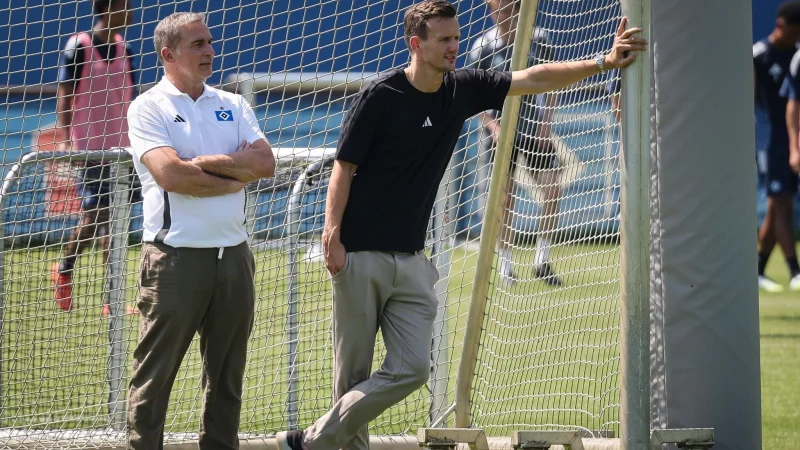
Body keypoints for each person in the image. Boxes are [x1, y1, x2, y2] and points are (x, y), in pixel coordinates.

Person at [275, 2, 645, 450]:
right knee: (351, 377)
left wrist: (603, 62)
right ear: (417, 44)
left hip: (413, 260)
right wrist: (331, 235)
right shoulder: (380, 95)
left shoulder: (463, 88)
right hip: (359, 254)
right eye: (444, 39)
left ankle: (310, 441)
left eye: (456, 37)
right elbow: (343, 168)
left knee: (413, 369)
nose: (454, 46)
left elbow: (534, 78)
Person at [124, 12, 275, 450]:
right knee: (154, 377)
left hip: (234, 258)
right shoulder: (148, 106)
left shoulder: (234, 104)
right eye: (197, 44)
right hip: (174, 259)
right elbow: (171, 175)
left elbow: (264, 163)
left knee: (227, 379)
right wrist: (233, 173)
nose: (210, 50)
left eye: (209, 42)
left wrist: (199, 165)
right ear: (168, 55)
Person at [51, 0, 137, 314]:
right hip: (89, 149)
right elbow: (65, 93)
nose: (131, 12)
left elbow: (132, 98)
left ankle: (113, 299)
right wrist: (65, 140)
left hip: (122, 151)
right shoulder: (79, 46)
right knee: (95, 217)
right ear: (109, 8)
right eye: (126, 5)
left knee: (115, 222)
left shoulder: (126, 49)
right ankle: (64, 269)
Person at [467, 0, 561, 285]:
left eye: (510, 9)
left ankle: (542, 260)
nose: (504, 15)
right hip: (500, 133)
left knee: (552, 189)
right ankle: (506, 266)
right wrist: (493, 126)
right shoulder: (482, 47)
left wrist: (546, 122)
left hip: (534, 129)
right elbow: (472, 94)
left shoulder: (539, 39)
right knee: (504, 199)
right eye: (498, 9)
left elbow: (553, 82)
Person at [754, 1, 800, 292]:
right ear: (781, 25)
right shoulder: (758, 55)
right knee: (780, 201)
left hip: (791, 137)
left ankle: (758, 268)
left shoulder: (796, 55)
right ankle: (795, 270)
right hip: (769, 138)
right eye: (796, 29)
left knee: (777, 204)